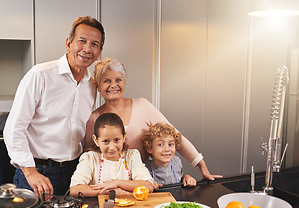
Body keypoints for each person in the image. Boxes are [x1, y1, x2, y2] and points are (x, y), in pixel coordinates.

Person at [3, 16, 105, 199]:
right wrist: (30, 172)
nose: (87, 49)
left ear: (99, 52)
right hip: (38, 172)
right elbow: (14, 128)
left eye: (94, 44)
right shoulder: (40, 75)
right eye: (82, 41)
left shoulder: (92, 85)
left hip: (76, 172)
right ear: (69, 43)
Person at [84, 57, 222, 182]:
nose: (113, 85)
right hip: (112, 185)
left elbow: (175, 136)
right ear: (98, 86)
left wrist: (201, 165)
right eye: (106, 81)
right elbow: (88, 158)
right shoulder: (93, 118)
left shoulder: (143, 106)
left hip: (146, 181)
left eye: (118, 80)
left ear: (124, 82)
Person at [69, 113, 154, 197]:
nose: (112, 147)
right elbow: (75, 189)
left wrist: (117, 183)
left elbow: (148, 186)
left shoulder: (132, 156)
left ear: (124, 137)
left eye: (117, 140)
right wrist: (110, 192)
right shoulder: (90, 158)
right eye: (106, 141)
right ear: (96, 140)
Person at [142, 123, 197, 187]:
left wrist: (186, 177)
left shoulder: (176, 161)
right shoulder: (144, 168)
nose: (167, 149)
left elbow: (180, 176)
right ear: (149, 148)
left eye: (170, 144)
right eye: (160, 145)